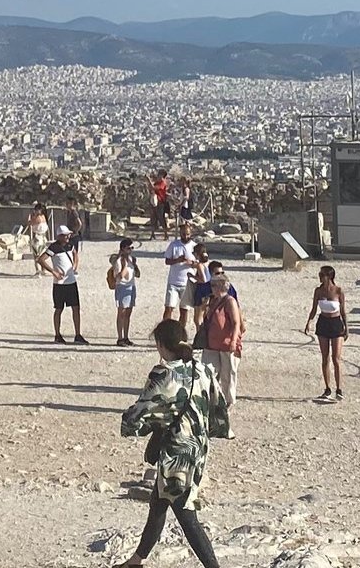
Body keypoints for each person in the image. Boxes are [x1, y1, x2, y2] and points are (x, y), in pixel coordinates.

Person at [115, 318, 225, 568]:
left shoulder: (164, 373)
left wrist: (131, 425)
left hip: (176, 453)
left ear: (162, 345)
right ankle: (136, 560)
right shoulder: (203, 370)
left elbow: (142, 410)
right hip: (197, 448)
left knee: (186, 515)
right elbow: (219, 406)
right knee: (158, 504)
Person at [198, 263, 244, 425]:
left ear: (221, 286)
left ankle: (229, 402)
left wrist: (233, 341)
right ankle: (213, 401)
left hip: (226, 344)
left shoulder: (230, 301)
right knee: (209, 372)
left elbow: (236, 323)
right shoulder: (212, 301)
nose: (210, 287)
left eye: (213, 285)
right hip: (211, 343)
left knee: (228, 374)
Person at [302, 265, 349, 402]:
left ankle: (339, 388)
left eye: (322, 274)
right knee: (325, 357)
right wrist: (309, 322)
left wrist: (347, 328)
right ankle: (327, 388)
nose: (320, 276)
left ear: (329, 276)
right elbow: (314, 308)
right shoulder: (318, 291)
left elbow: (343, 311)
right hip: (323, 323)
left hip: (336, 323)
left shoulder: (338, 291)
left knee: (336, 358)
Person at [44, 230, 88, 344]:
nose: (68, 236)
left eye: (68, 234)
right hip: (59, 284)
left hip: (71, 282)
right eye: (65, 235)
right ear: (59, 236)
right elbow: (41, 259)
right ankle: (57, 335)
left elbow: (75, 254)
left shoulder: (70, 245)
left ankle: (78, 334)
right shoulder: (53, 248)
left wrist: (75, 265)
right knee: (59, 309)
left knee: (76, 308)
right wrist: (53, 272)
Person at [161, 222, 200, 331]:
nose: (185, 236)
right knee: (169, 308)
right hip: (173, 282)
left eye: (187, 234)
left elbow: (199, 264)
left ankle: (180, 332)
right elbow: (167, 261)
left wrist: (190, 263)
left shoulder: (194, 246)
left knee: (184, 310)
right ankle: (165, 332)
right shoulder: (174, 245)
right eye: (183, 234)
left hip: (187, 283)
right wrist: (177, 260)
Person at [106, 237, 142, 346]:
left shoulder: (132, 259)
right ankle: (120, 337)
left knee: (128, 313)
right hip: (122, 287)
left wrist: (133, 264)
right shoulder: (118, 261)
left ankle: (126, 337)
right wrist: (125, 267)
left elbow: (138, 274)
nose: (130, 250)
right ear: (122, 249)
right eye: (128, 248)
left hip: (131, 287)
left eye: (132, 248)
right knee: (121, 313)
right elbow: (119, 277)